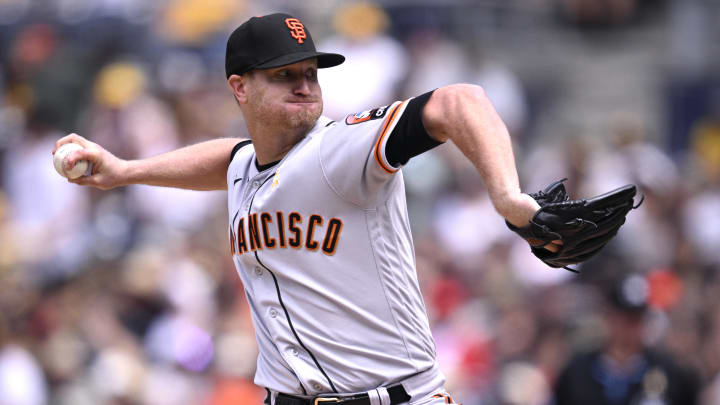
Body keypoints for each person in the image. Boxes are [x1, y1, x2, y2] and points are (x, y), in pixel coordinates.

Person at [54, 13, 561, 405]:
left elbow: (461, 101)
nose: (304, 84)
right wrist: (125, 170)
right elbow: (228, 158)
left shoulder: (342, 149)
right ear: (240, 87)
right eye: (283, 75)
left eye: (309, 73)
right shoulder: (245, 165)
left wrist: (507, 196)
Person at [553, 273, 700, 405]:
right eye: (623, 319)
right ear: (608, 317)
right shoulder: (577, 373)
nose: (629, 328)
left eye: (636, 319)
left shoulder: (671, 373)